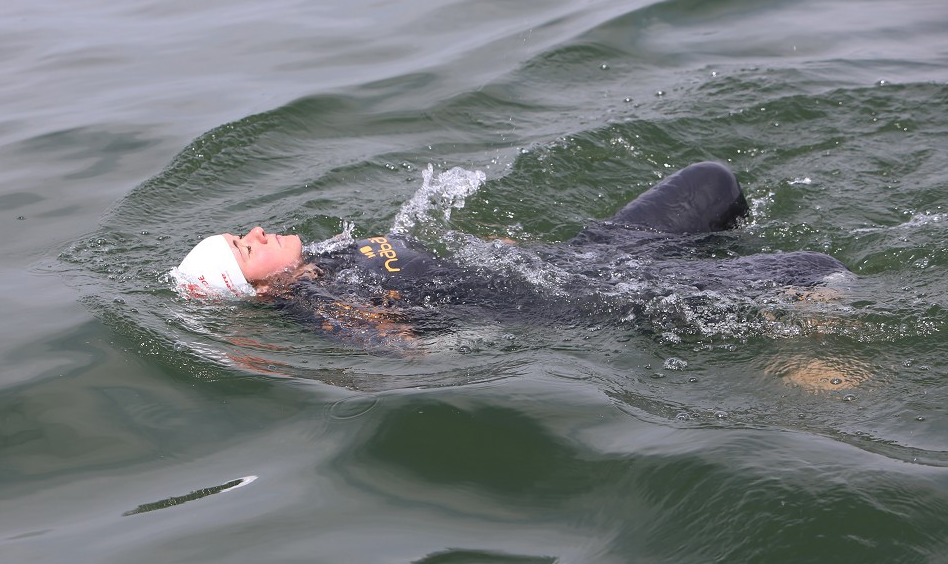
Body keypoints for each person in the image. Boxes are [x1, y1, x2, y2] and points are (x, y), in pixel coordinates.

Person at [172, 162, 849, 343]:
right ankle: (810, 355)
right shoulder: (319, 302)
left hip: (576, 257)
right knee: (812, 269)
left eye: (244, 231)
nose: (257, 232)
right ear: (253, 288)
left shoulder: (325, 254)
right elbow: (400, 353)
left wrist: (499, 252)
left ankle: (722, 267)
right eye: (244, 248)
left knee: (713, 181)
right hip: (576, 299)